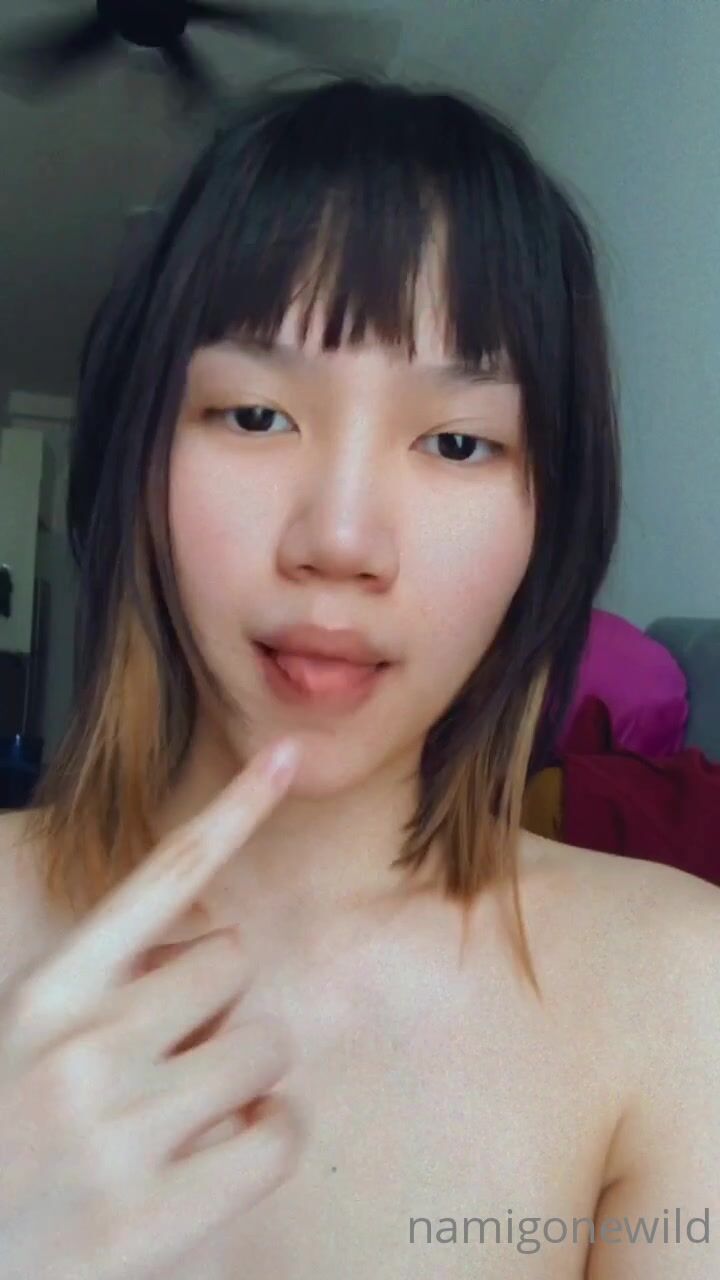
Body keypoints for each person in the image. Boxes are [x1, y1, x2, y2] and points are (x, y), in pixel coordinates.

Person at [0, 74, 717, 1279]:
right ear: (138, 461)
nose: (339, 539)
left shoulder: (683, 993)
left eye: (457, 440)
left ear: (551, 517)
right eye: (253, 415)